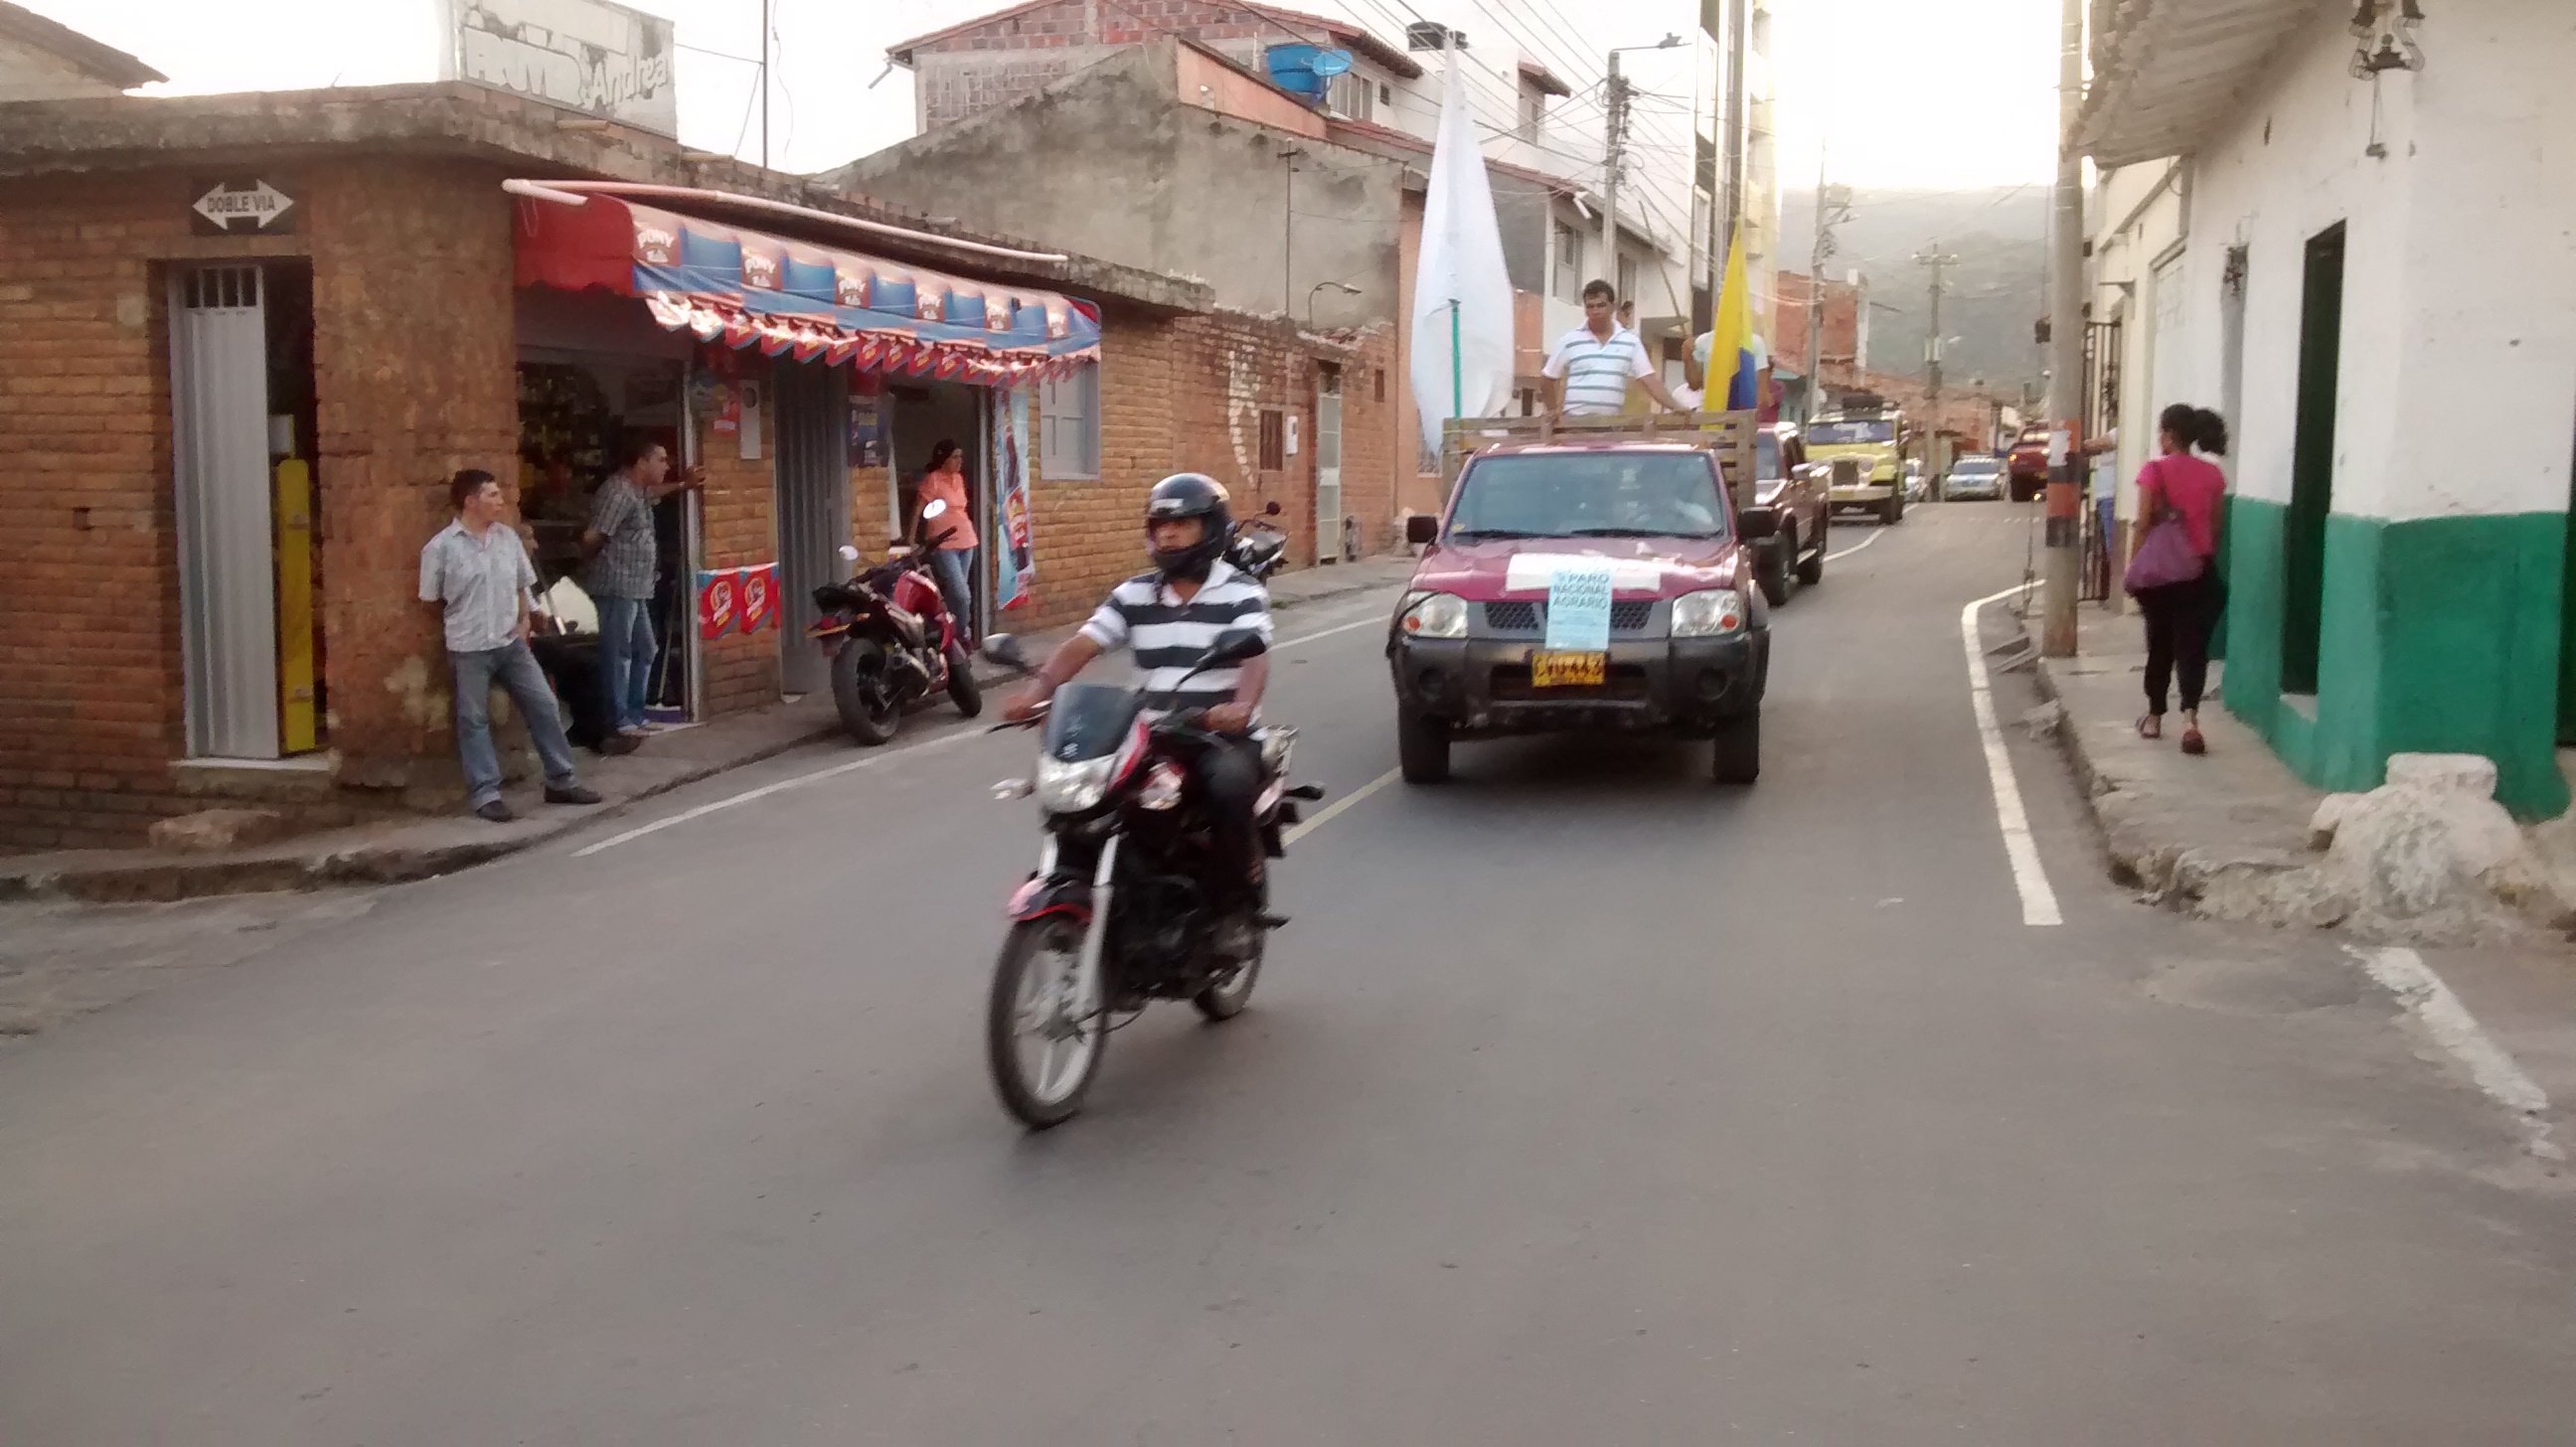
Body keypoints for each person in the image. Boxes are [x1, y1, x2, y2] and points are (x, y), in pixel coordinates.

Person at [1003, 473, 1278, 934]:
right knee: (1091, 800)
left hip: (1218, 733)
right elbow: (1083, 644)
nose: (1168, 535)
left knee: (1228, 786)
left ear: (1211, 528)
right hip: (1153, 732)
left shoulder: (1241, 591)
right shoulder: (1133, 594)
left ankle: (1234, 900)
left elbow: (1255, 655)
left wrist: (1241, 707)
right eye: (1159, 525)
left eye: (1182, 524)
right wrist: (1037, 694)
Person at [419, 469, 601, 823]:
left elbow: (522, 584)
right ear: (470, 501)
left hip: (510, 642)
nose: (499, 501)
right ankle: (486, 793)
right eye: (491, 495)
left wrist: (526, 619)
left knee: (544, 704)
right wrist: (459, 622)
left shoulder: (507, 538)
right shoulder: (441, 548)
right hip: (468, 646)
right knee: (473, 719)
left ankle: (561, 780)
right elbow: (430, 600)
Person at [581, 436, 703, 748]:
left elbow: (653, 494)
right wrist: (593, 562)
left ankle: (635, 712)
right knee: (618, 652)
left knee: (645, 648)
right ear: (641, 462)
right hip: (617, 585)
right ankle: (617, 719)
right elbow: (594, 535)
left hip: (637, 586)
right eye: (660, 460)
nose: (666, 466)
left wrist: (683, 485)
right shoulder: (618, 492)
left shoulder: (637, 490)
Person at [2133, 402, 2231, 756]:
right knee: (2193, 647)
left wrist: (2135, 566)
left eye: (2161, 431)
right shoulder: (2213, 475)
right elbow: (2216, 528)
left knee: (2159, 644)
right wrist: (2198, 556)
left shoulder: (2153, 471)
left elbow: (2143, 522)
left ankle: (2154, 717)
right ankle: (2191, 721)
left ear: (2170, 435)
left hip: (2159, 576)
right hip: (2197, 572)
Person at [1542, 280, 1685, 418]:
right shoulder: (1569, 340)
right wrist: (1553, 412)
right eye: (1590, 306)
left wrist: (1676, 407)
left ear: (1612, 307)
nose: (1595, 311)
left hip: (1611, 425)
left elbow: (1649, 380)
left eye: (1601, 305)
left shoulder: (1630, 342)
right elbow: (1547, 378)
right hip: (1574, 424)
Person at [911, 438, 980, 646]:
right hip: (944, 543)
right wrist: (911, 540)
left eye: (960, 457)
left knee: (955, 594)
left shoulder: (958, 478)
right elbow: (918, 510)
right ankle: (962, 635)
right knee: (962, 595)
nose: (960, 461)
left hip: (967, 540)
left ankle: (949, 637)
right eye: (955, 457)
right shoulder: (933, 480)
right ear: (944, 459)